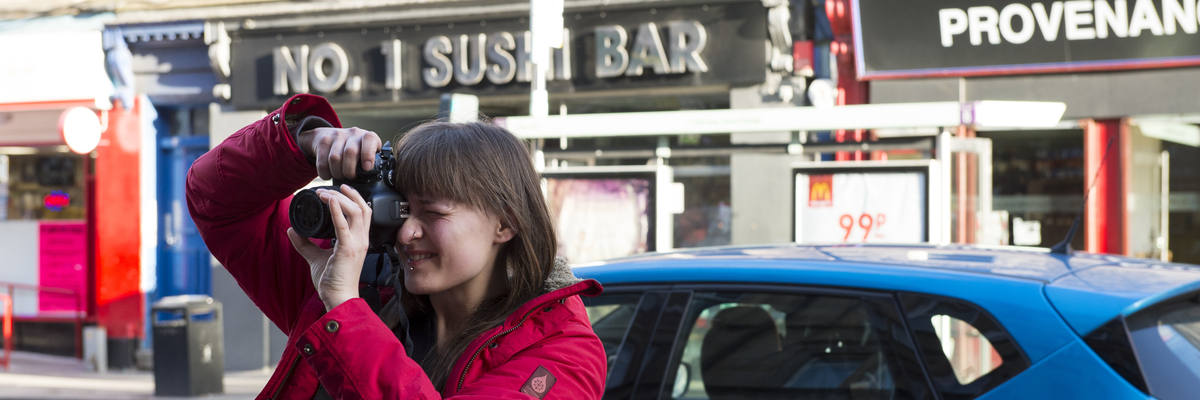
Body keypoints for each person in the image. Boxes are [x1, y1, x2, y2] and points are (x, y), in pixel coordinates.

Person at [186, 94, 606, 399]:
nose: (406, 234)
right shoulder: (365, 283)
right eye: (403, 210)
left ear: (506, 222)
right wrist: (304, 141)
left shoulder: (563, 351)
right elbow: (214, 199)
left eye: (434, 214)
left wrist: (346, 313)